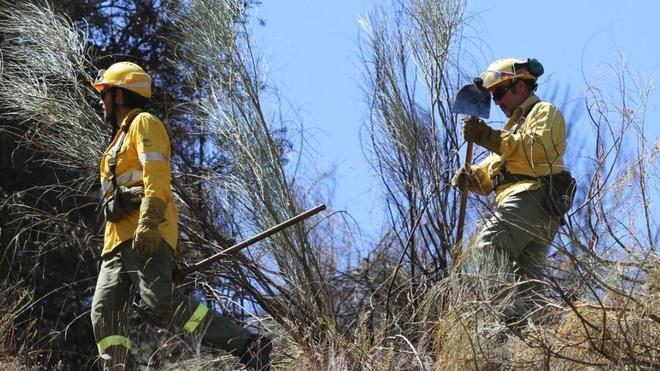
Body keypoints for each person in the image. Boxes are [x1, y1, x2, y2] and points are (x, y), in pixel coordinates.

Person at [90, 61, 271, 369]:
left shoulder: (144, 123)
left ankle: (246, 344)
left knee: (160, 300)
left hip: (144, 234)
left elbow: (156, 176)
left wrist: (148, 223)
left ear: (120, 96)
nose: (101, 100)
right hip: (116, 243)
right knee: (103, 310)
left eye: (105, 92)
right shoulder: (117, 140)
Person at [451, 58, 572, 326]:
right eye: (493, 96)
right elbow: (492, 173)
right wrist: (471, 178)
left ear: (520, 85)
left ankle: (507, 320)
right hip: (530, 208)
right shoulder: (513, 129)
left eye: (500, 92)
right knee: (527, 278)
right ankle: (539, 335)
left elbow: (534, 150)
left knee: (488, 246)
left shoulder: (543, 112)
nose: (497, 102)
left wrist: (488, 137)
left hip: (533, 196)